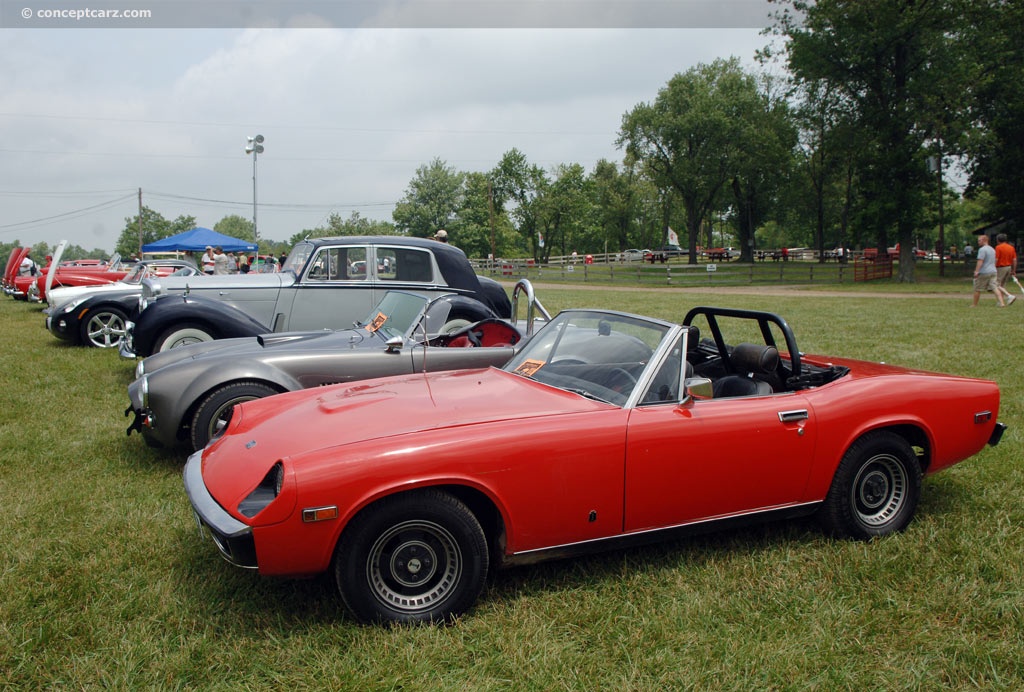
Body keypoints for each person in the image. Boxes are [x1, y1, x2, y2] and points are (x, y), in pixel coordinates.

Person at [972, 235, 1005, 307]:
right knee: (994, 287)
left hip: (984, 271)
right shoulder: (992, 249)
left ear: (984, 240)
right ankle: (1002, 303)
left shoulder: (982, 250)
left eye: (979, 240)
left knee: (977, 288)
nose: (978, 242)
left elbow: (980, 261)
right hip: (993, 271)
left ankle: (974, 304)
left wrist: (976, 271)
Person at [994, 233, 1017, 306]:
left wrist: (993, 267)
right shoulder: (1011, 247)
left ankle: (1009, 296)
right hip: (1009, 267)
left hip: (1001, 267)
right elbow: (1014, 260)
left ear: (998, 240)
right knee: (1002, 285)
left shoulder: (998, 247)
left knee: (996, 284)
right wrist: (1014, 270)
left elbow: (996, 259)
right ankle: (1001, 301)